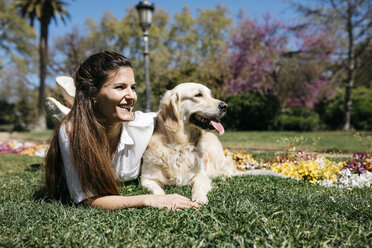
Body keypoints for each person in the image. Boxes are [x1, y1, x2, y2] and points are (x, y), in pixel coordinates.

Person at [45, 51, 199, 210]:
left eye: (133, 88)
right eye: (120, 87)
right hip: (82, 121)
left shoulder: (145, 124)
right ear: (94, 93)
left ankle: (73, 98)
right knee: (72, 119)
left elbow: (179, 119)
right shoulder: (72, 132)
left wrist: (202, 150)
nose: (131, 96)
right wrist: (150, 200)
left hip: (98, 107)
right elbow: (89, 199)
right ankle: (73, 103)